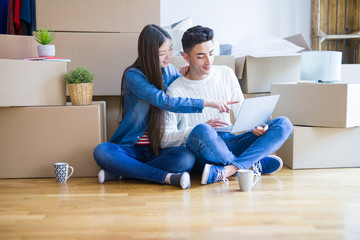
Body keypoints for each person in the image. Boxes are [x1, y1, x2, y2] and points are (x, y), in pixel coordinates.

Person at [93, 24, 237, 189]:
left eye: (170, 50)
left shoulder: (170, 71)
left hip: (159, 149)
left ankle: (124, 173)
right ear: (149, 54)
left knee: (186, 159)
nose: (168, 56)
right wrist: (208, 102)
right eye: (162, 53)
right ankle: (167, 177)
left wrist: (187, 71)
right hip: (131, 148)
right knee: (101, 151)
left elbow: (182, 85)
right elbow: (164, 101)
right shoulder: (133, 75)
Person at [161, 25, 294, 185]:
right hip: (202, 148)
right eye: (201, 56)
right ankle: (250, 165)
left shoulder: (226, 74)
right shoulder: (175, 90)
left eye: (211, 53)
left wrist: (257, 123)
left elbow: (242, 114)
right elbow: (164, 138)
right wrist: (196, 129)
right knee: (203, 130)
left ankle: (228, 170)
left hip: (230, 141)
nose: (208, 61)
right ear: (186, 57)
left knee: (284, 124)